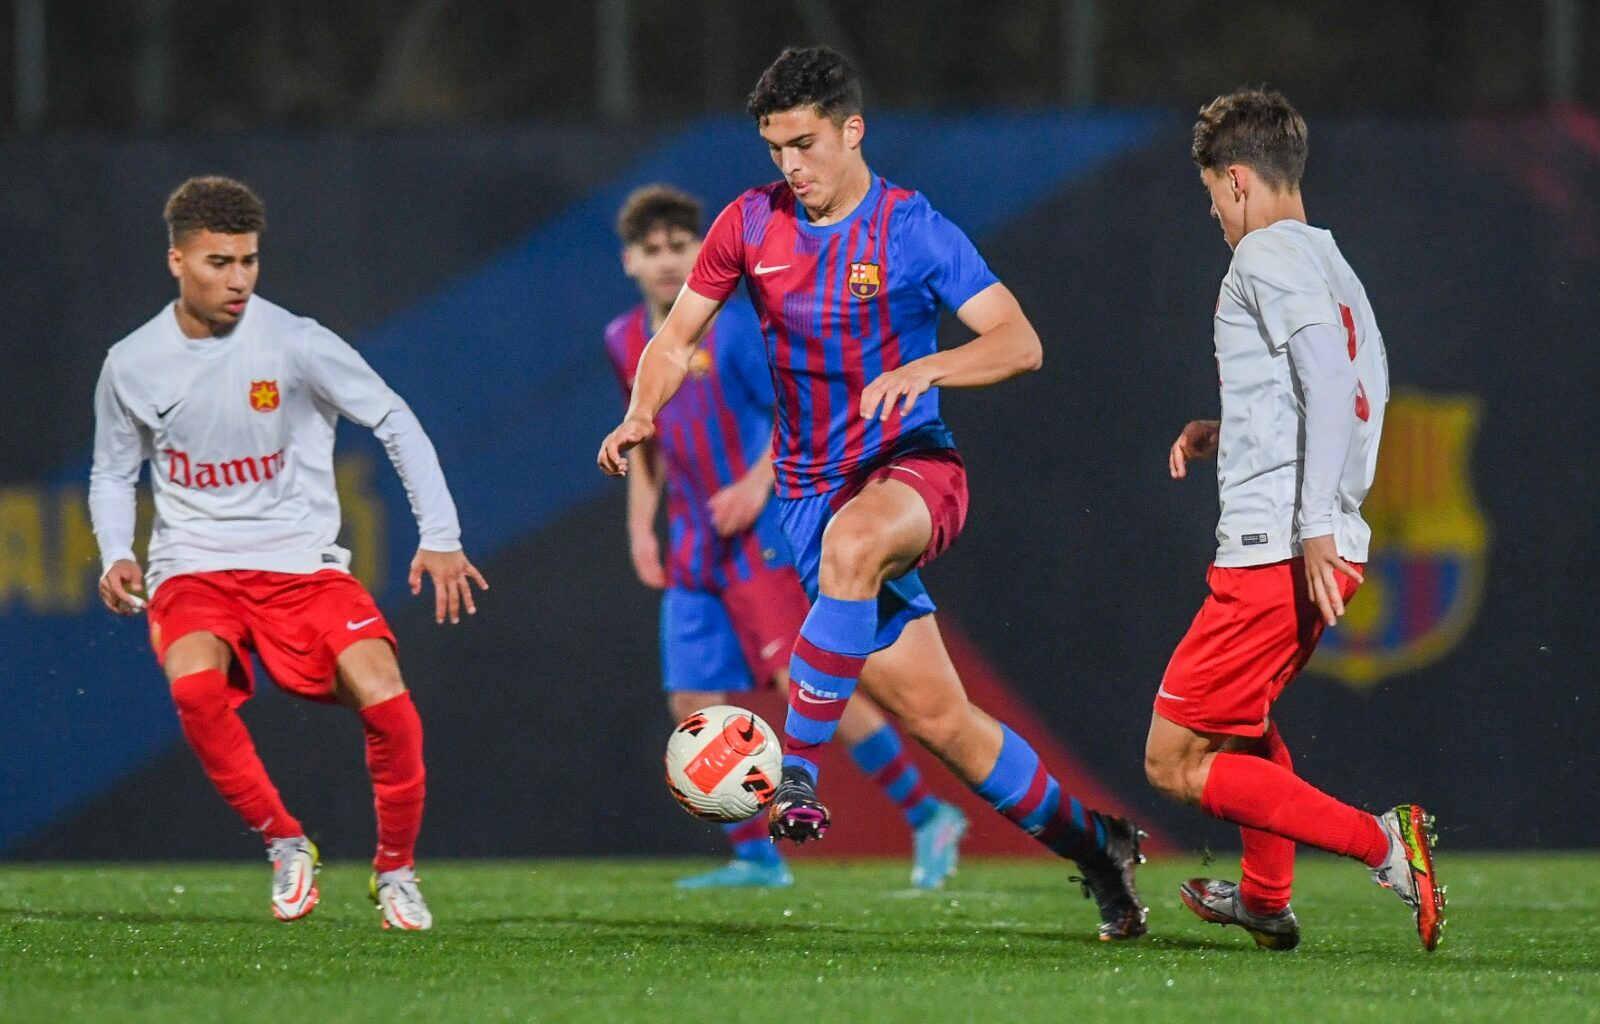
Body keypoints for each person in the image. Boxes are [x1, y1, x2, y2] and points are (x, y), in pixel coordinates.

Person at [599, 48, 1146, 940]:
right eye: (776, 148)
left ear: (853, 131)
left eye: (805, 144)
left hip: (914, 473)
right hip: (810, 507)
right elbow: (672, 341)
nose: (791, 166)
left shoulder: (913, 230)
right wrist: (638, 415)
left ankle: (798, 776)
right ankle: (1099, 848)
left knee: (857, 546)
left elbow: (1019, 343)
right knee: (946, 724)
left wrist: (928, 364)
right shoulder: (748, 224)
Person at [90, 176, 486, 930]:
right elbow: (112, 470)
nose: (238, 279)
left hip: (300, 569)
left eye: (248, 260)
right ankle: (284, 842)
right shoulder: (132, 362)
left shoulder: (295, 341)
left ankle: (396, 872)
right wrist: (116, 548)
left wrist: (441, 535)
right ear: (176, 261)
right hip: (194, 567)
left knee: (393, 706)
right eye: (218, 262)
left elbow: (395, 419)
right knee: (196, 692)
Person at [1144, 89, 1445, 952]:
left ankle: (1383, 841)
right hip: (1311, 539)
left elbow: (1323, 373)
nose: (1213, 215)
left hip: (1275, 549)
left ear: (1236, 181)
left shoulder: (1263, 257)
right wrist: (1230, 428)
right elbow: (1359, 391)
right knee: (1240, 728)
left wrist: (1311, 521)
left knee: (1175, 761)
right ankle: (1266, 900)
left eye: (1210, 197)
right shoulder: (1329, 259)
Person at [606, 184, 969, 889]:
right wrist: (638, 529)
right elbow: (646, 441)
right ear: (629, 263)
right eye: (651, 252)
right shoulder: (626, 341)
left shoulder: (737, 329)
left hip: (760, 539)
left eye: (680, 246)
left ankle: (927, 815)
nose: (667, 263)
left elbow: (796, 415)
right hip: (692, 545)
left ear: (699, 250)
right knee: (691, 703)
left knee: (799, 678)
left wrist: (755, 483)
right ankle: (755, 858)